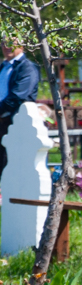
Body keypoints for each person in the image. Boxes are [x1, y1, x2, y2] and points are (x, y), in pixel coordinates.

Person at [0, 41, 40, 181]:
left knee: (8, 166)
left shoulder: (27, 68)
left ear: (22, 45)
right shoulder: (3, 67)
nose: (6, 47)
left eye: (11, 43)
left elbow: (17, 97)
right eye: (3, 43)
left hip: (14, 124)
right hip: (2, 122)